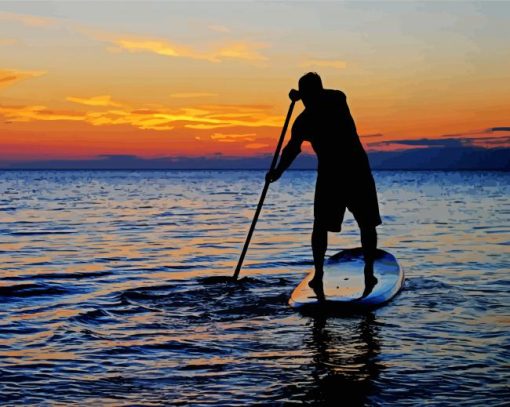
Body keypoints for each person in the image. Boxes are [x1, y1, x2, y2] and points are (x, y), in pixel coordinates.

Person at [266, 72, 381, 299]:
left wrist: (301, 95)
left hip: (356, 171)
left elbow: (326, 96)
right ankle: (318, 273)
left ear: (318, 91)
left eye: (311, 95)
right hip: (330, 176)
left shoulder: (337, 100)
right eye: (306, 97)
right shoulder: (303, 120)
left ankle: (369, 270)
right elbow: (292, 149)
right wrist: (277, 171)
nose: (309, 101)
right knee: (320, 225)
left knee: (366, 223)